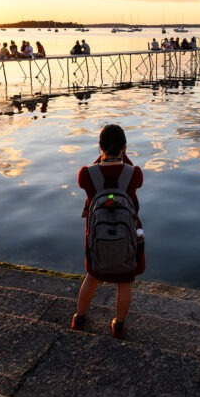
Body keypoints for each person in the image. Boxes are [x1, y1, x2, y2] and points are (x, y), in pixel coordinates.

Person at [72, 124, 145, 340]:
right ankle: (118, 326)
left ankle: (79, 318)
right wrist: (124, 158)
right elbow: (129, 172)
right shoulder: (134, 174)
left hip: (98, 241)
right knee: (125, 282)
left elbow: (95, 172)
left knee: (92, 277)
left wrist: (102, 160)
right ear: (124, 147)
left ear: (99, 147)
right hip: (126, 239)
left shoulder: (86, 174)